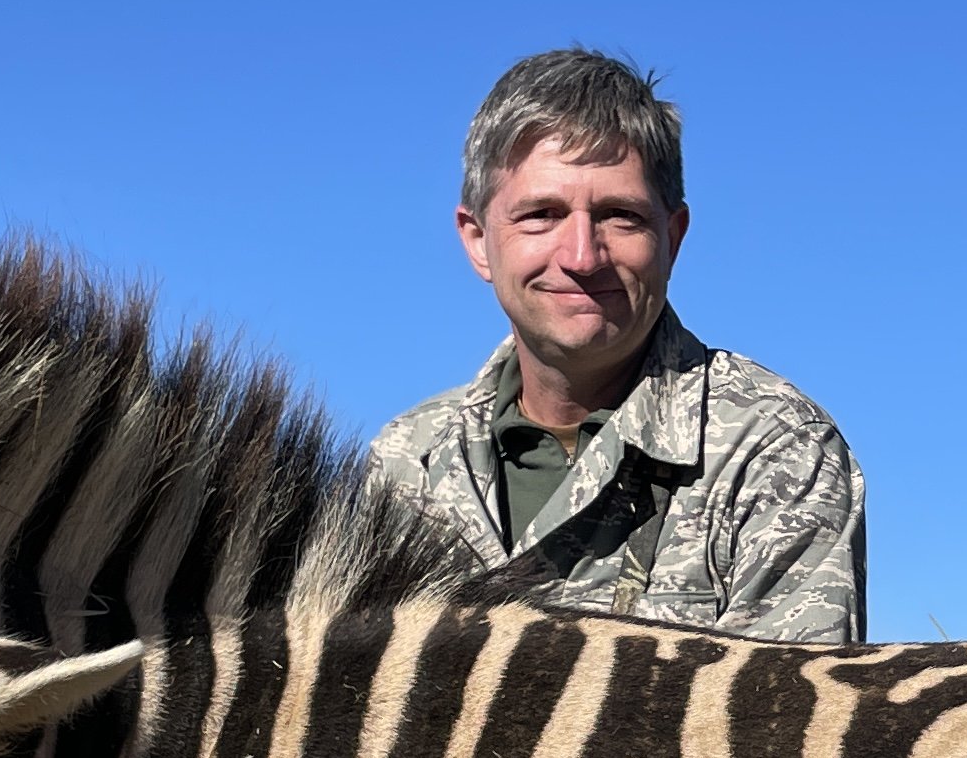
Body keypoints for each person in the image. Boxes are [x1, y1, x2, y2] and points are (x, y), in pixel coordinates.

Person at [371, 47, 867, 644]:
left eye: (619, 216)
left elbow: (786, 728)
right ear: (478, 240)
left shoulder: (776, 448)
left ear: (672, 237)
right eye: (540, 214)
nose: (582, 256)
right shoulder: (403, 464)